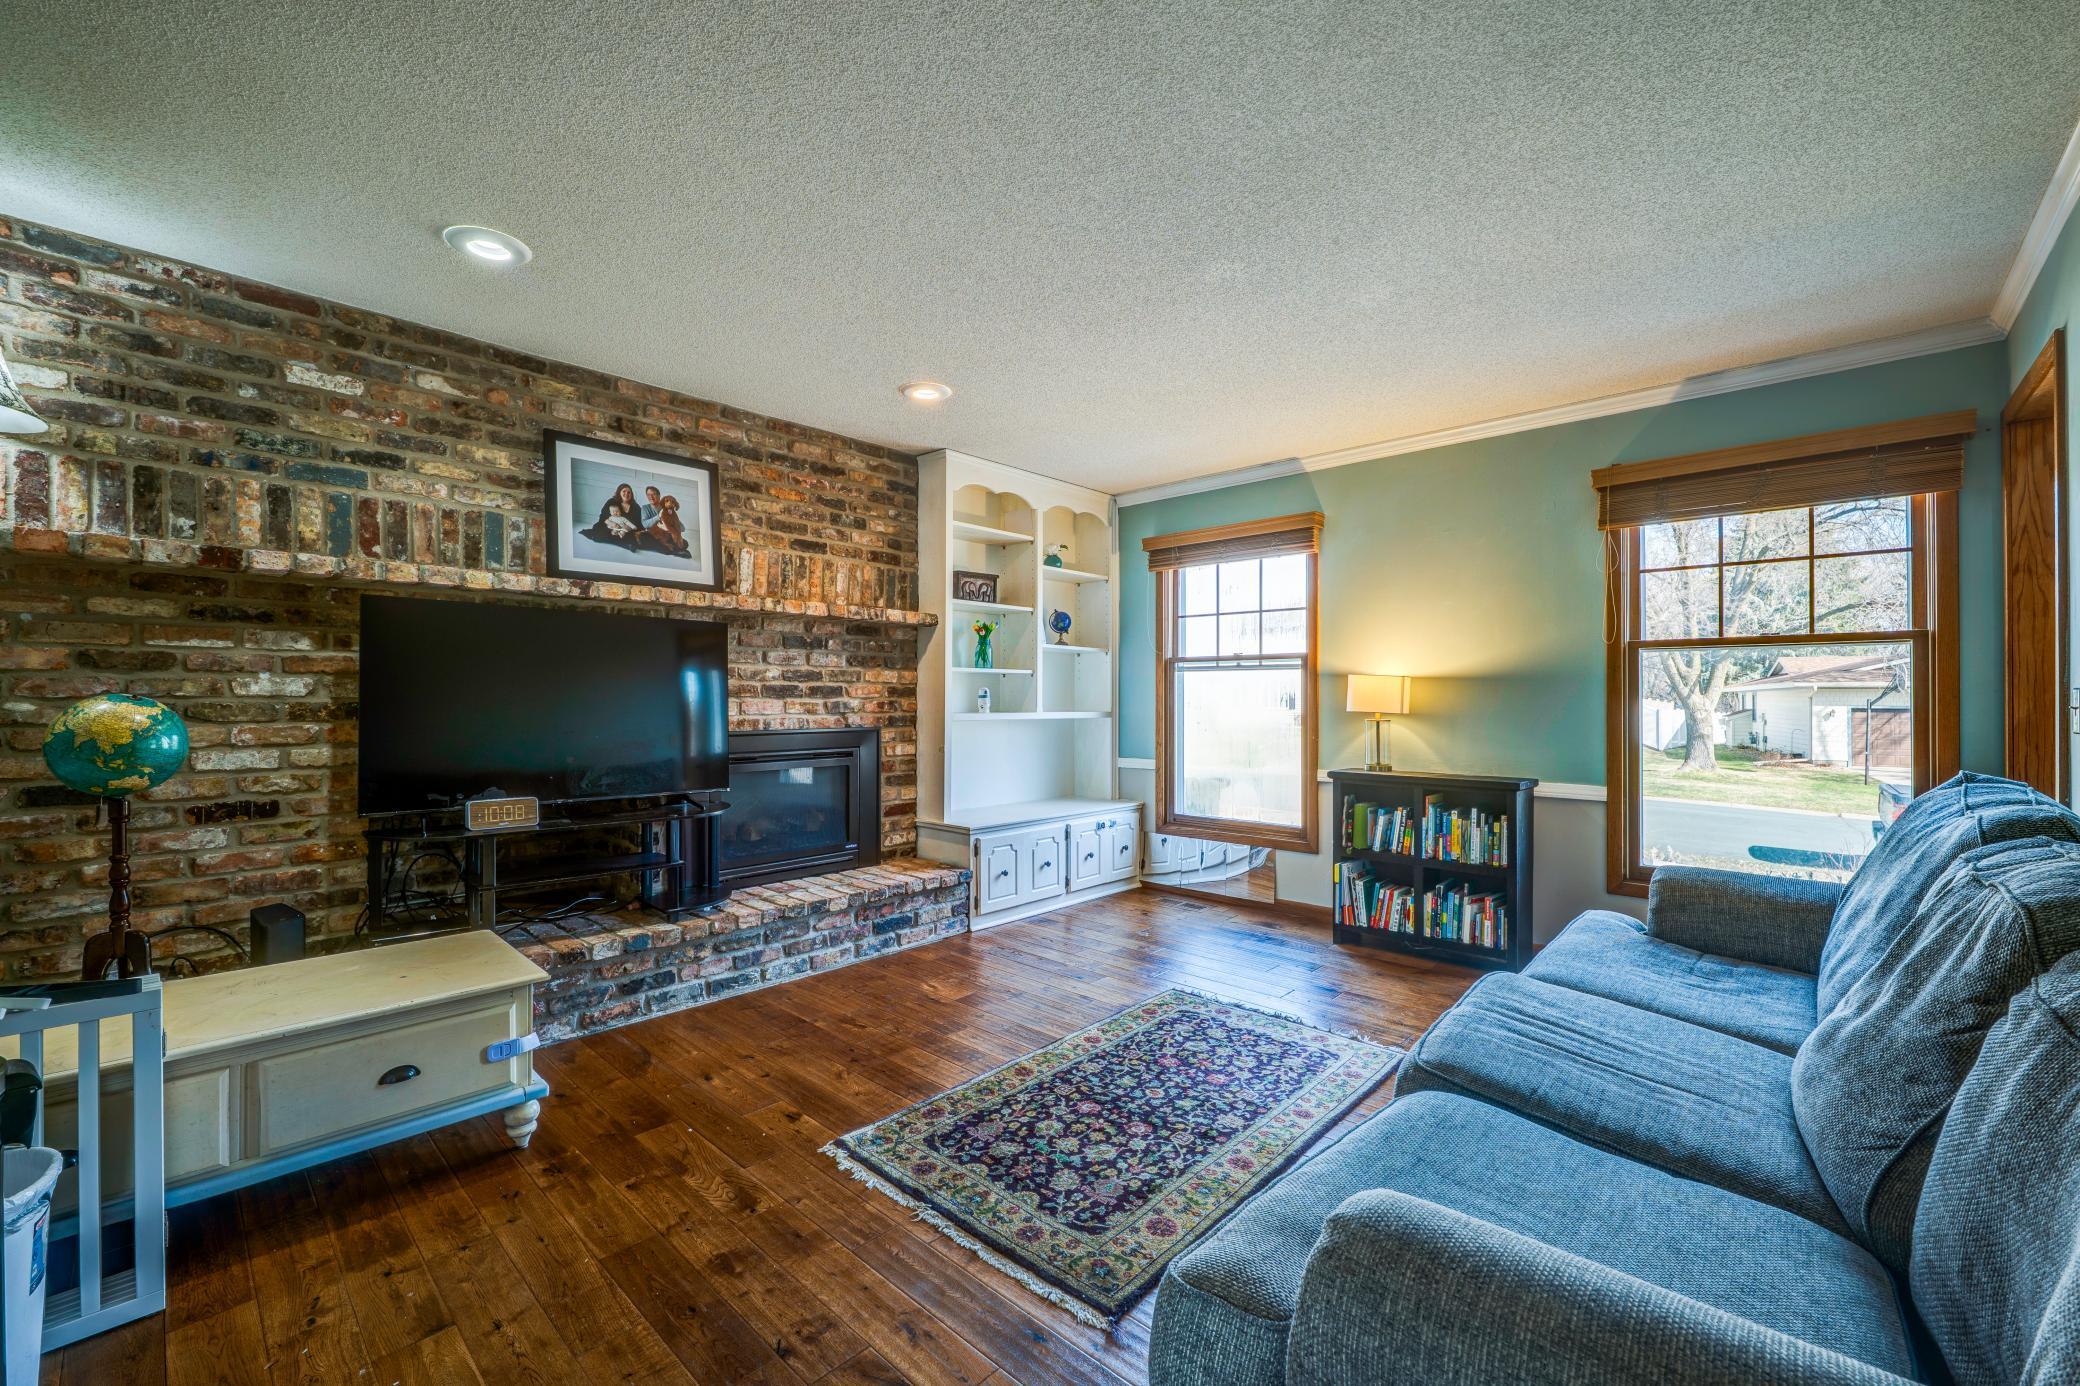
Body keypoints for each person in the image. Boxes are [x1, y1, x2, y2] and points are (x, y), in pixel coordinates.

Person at [580, 483, 643, 548]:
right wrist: (612, 523)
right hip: (611, 526)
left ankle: (622, 541)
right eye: (624, 491)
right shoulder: (612, 501)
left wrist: (628, 527)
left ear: (631, 495)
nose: (626, 494)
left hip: (625, 530)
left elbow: (638, 522)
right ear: (619, 492)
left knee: (630, 535)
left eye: (629, 492)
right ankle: (624, 543)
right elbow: (603, 516)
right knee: (599, 529)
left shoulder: (635, 506)